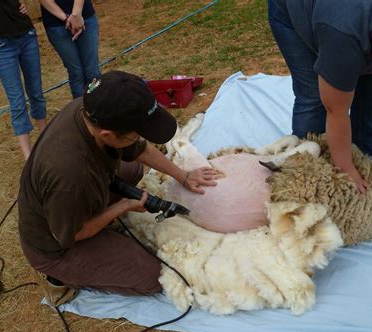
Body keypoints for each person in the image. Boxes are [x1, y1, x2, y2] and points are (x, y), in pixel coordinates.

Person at [18, 70, 221, 299]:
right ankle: (59, 276)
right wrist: (122, 206)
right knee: (151, 277)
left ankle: (99, 213)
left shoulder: (92, 109)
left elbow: (139, 149)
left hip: (80, 193)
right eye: (136, 134)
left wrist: (182, 175)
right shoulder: (70, 175)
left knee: (133, 169)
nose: (139, 139)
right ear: (107, 135)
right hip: (57, 245)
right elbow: (75, 234)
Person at [268, 0, 372, 198]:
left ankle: (365, 160)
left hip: (351, 25)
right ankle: (304, 174)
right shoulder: (342, 34)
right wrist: (346, 169)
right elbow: (336, 111)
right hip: (296, 14)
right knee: (313, 96)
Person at [0, 0, 47, 159]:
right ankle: (29, 157)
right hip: (1, 44)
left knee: (36, 93)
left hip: (26, 34)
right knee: (17, 102)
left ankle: (45, 140)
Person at [40, 0, 100, 98]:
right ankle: (81, 109)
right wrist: (66, 19)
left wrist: (76, 14)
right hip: (56, 24)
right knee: (76, 73)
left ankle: (97, 106)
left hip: (84, 17)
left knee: (92, 71)